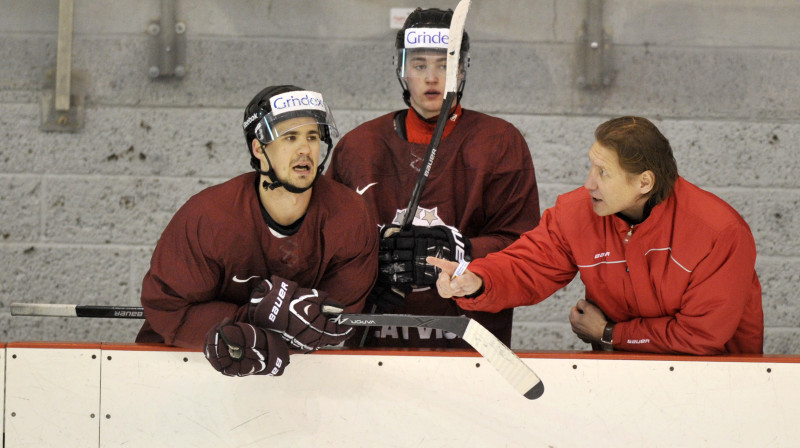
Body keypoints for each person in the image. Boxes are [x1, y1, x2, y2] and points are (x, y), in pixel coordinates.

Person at [429, 116, 764, 355]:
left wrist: (608, 333)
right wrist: (477, 281)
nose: (589, 183)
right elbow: (527, 266)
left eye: (603, 172)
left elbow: (701, 336)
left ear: (644, 183)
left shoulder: (719, 232)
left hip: (717, 386)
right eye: (591, 166)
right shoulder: (576, 213)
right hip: (618, 377)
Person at [327, 7, 540, 348]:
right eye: (419, 65)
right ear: (402, 70)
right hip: (373, 342)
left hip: (471, 344)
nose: (431, 78)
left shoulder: (500, 143)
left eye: (444, 65)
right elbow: (324, 244)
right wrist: (366, 269)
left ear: (462, 70)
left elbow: (528, 248)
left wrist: (464, 249)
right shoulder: (358, 147)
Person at [137, 85, 379, 375]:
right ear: (258, 149)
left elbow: (339, 317)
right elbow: (167, 307)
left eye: (312, 137)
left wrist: (272, 322)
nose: (305, 149)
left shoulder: (351, 215)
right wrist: (252, 321)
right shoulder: (210, 217)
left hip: (296, 374)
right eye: (290, 137)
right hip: (184, 367)